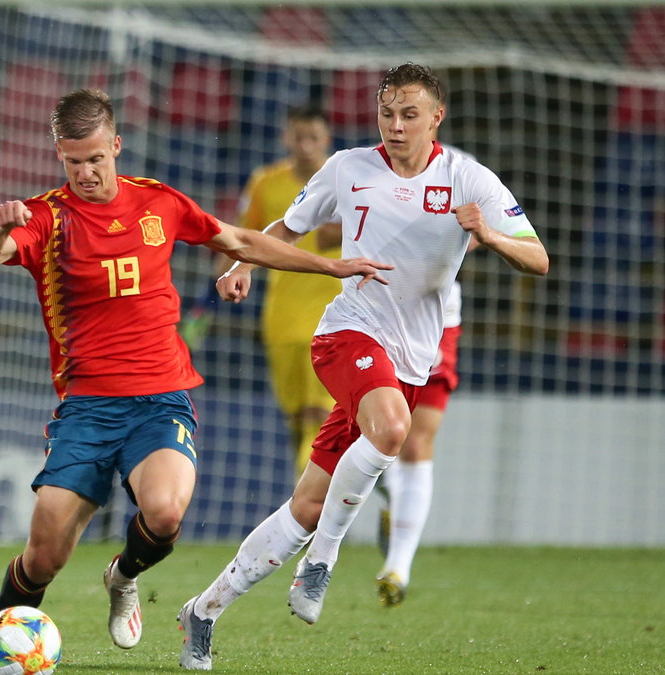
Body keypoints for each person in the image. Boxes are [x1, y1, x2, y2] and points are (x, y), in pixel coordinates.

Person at [0, 88, 393, 675]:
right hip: (86, 407)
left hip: (159, 399)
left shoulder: (157, 204)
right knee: (43, 557)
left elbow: (239, 240)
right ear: (59, 155)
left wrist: (332, 265)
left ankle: (124, 576)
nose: (86, 172)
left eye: (95, 158)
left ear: (116, 145)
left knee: (164, 514)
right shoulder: (48, 216)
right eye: (73, 161)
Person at [177, 63, 548, 671]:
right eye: (386, 113)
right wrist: (244, 262)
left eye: (409, 115)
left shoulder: (469, 179)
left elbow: (537, 259)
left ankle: (204, 610)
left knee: (303, 506)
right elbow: (285, 228)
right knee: (395, 430)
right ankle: (323, 558)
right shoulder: (349, 168)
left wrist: (492, 236)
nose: (396, 126)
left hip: (411, 358)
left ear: (436, 118)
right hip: (347, 333)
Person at [225, 104, 342, 473]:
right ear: (285, 137)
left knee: (319, 413)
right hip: (282, 316)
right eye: (298, 136)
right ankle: (380, 487)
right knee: (296, 420)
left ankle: (304, 512)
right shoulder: (265, 182)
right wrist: (226, 276)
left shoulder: (346, 180)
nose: (305, 145)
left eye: (313, 137)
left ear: (326, 139)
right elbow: (244, 238)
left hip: (333, 311)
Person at [373, 279, 462, 607]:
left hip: (437, 313)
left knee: (415, 444)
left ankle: (397, 569)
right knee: (373, 434)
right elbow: (327, 234)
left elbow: (494, 232)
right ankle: (391, 493)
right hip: (369, 312)